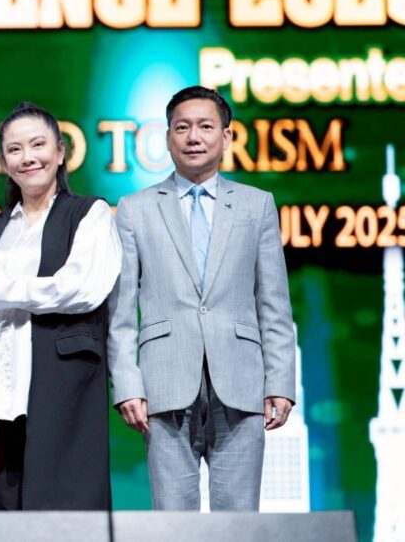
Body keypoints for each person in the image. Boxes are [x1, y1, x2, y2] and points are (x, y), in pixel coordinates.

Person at [108, 85, 297, 511]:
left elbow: (275, 304)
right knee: (174, 524)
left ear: (226, 136)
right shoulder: (136, 209)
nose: (194, 137)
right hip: (164, 383)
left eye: (206, 127)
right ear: (168, 137)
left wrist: (280, 382)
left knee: (238, 524)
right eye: (182, 128)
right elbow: (121, 313)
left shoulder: (257, 205)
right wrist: (127, 384)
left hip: (242, 382)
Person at [0, 102, 120, 511]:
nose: (28, 157)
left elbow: (81, 289)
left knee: (62, 511)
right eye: (15, 149)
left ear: (60, 151)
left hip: (59, 386)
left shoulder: (89, 213)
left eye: (38, 145)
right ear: (4, 162)